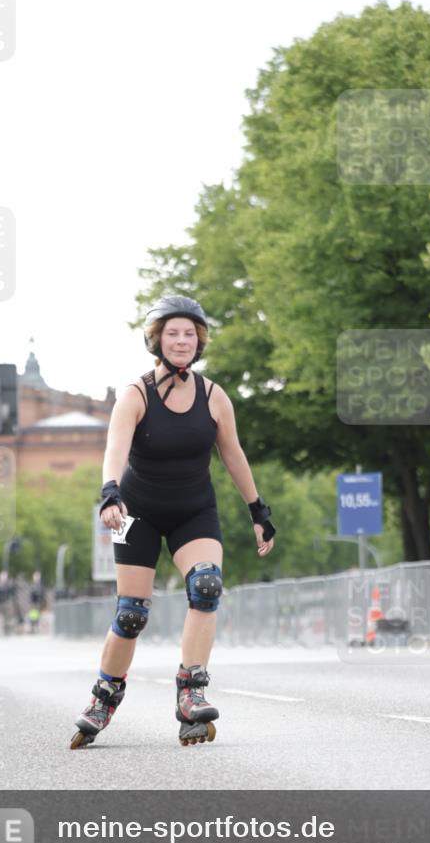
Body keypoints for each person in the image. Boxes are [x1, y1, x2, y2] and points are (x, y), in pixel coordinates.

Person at [70, 295, 276, 749]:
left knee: (206, 586)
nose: (181, 341)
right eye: (172, 333)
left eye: (189, 333)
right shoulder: (136, 394)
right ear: (157, 340)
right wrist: (110, 492)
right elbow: (115, 449)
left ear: (199, 341)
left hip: (193, 509)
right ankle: (104, 696)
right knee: (131, 613)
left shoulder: (213, 396)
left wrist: (258, 510)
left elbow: (233, 455)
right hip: (135, 512)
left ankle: (191, 692)